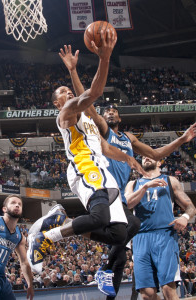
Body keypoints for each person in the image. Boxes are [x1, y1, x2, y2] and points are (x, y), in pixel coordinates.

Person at [58, 44, 196, 299]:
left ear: (119, 117)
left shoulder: (129, 139)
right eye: (106, 111)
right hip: (104, 188)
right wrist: (74, 72)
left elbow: (155, 154)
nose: (108, 112)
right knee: (119, 243)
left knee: (122, 246)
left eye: (113, 111)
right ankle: (73, 239)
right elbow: (86, 100)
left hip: (121, 197)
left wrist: (182, 141)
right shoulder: (102, 129)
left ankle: (107, 278)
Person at [28, 29, 145, 297]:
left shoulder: (89, 121)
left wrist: (128, 158)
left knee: (121, 232)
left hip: (103, 171)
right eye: (63, 93)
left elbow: (104, 147)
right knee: (100, 217)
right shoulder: (67, 114)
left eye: (69, 90)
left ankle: (64, 221)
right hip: (84, 168)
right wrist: (104, 58)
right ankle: (46, 237)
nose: (68, 93)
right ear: (58, 103)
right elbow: (92, 93)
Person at [125, 156, 196, 300]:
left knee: (168, 290)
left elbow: (190, 207)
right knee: (147, 294)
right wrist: (145, 187)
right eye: (143, 157)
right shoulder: (133, 184)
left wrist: (184, 217)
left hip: (164, 236)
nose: (145, 157)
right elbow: (127, 203)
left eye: (150, 155)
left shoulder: (170, 181)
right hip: (140, 238)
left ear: (159, 162)